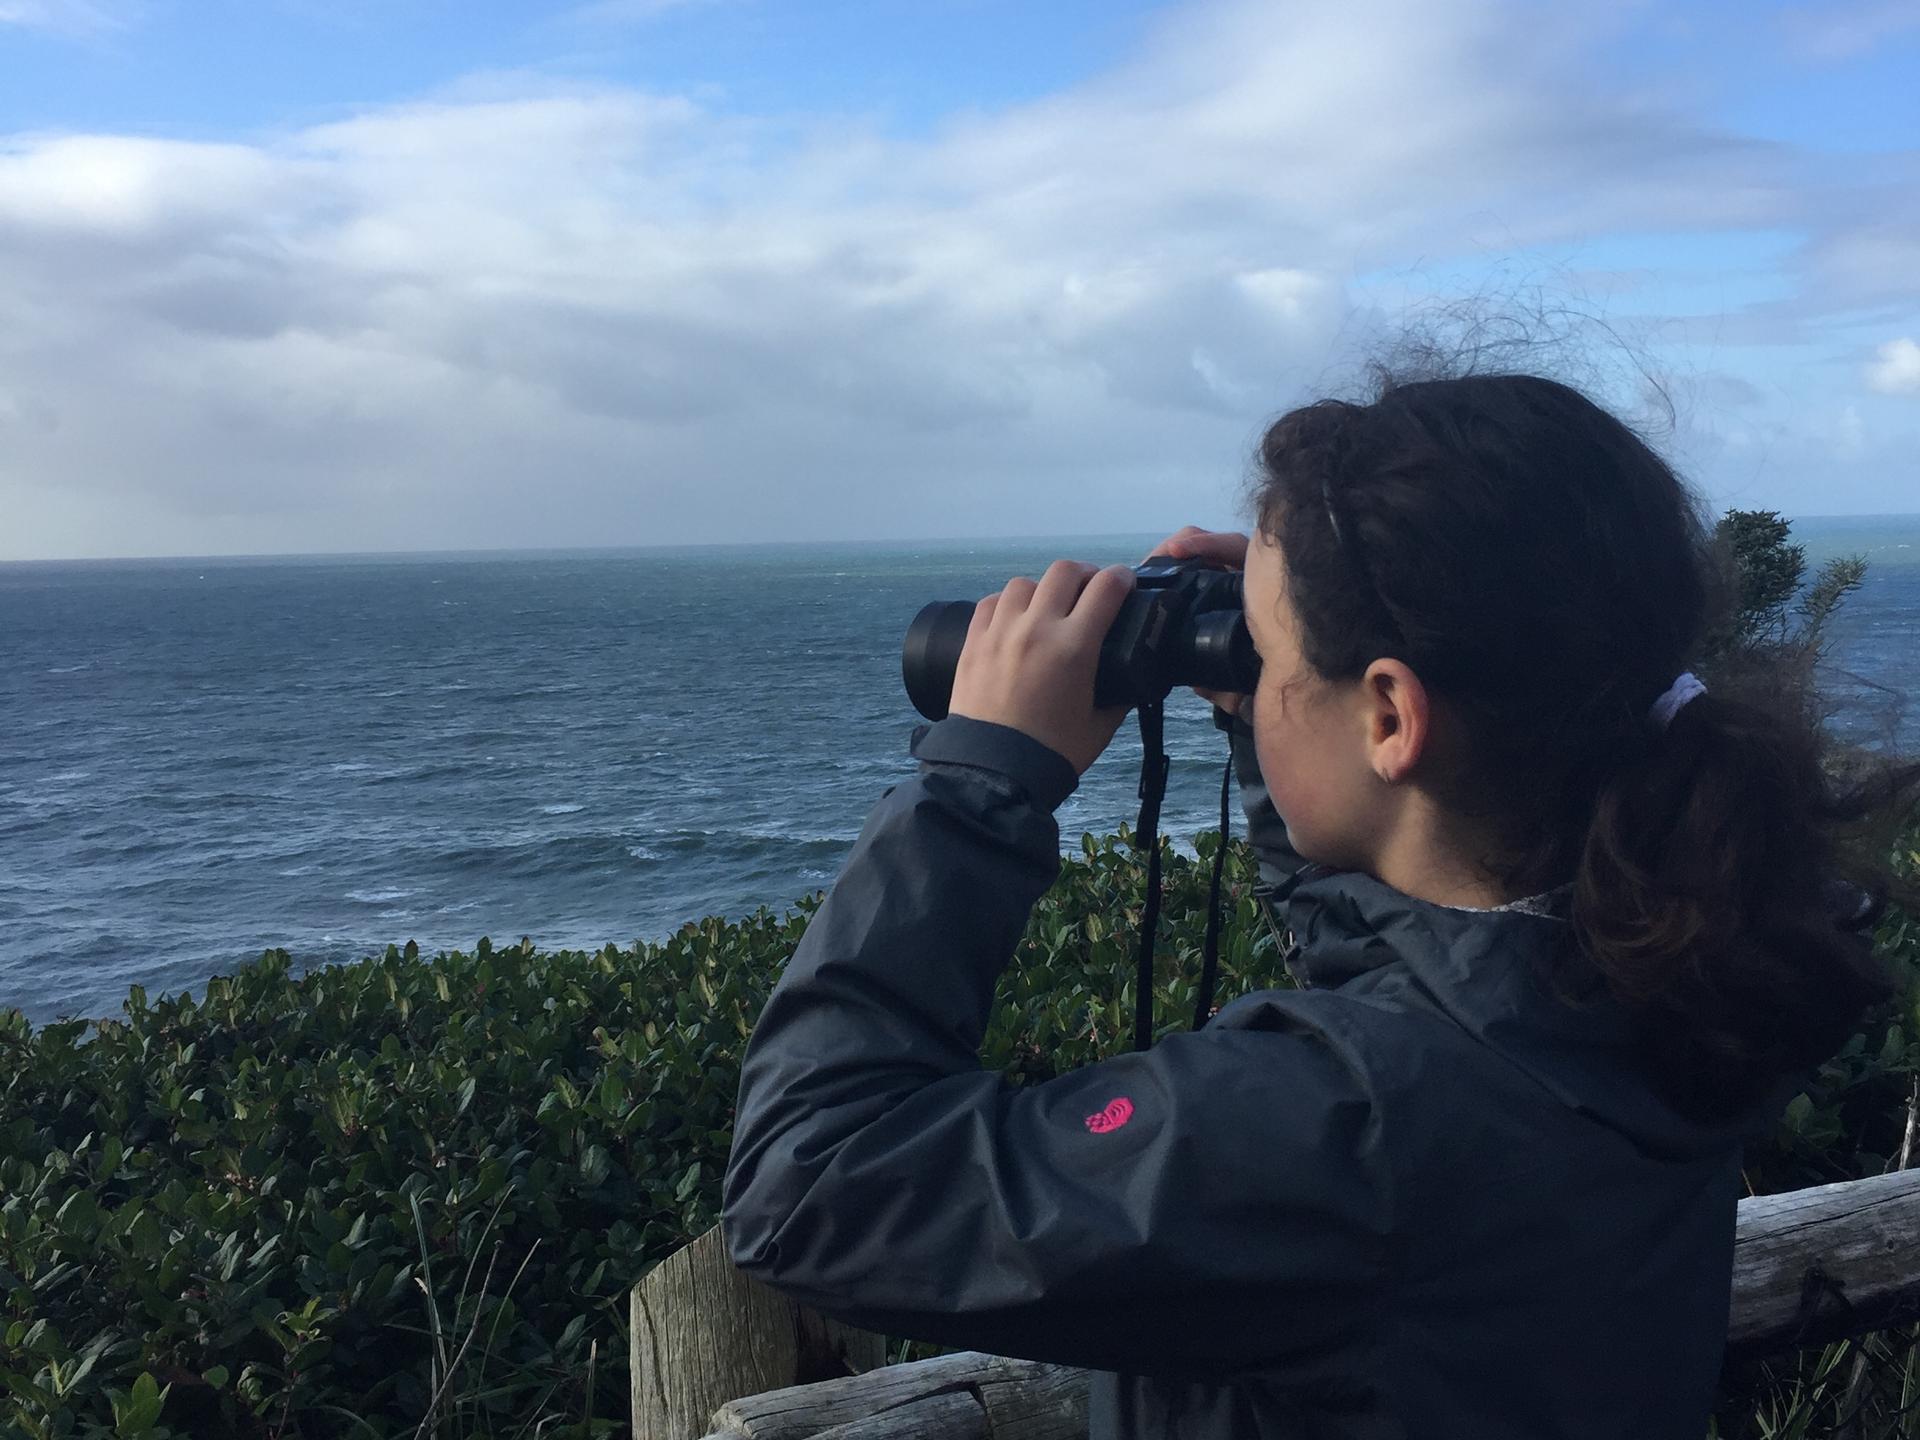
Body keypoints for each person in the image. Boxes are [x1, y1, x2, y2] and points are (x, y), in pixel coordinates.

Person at [721, 373, 1919, 1438]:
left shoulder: (1338, 1129)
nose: (1254, 670)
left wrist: (982, 777)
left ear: (1393, 717)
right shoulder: (1668, 951)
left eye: (1269, 653)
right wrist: (1283, 714)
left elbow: (809, 1185)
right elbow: (1423, 956)